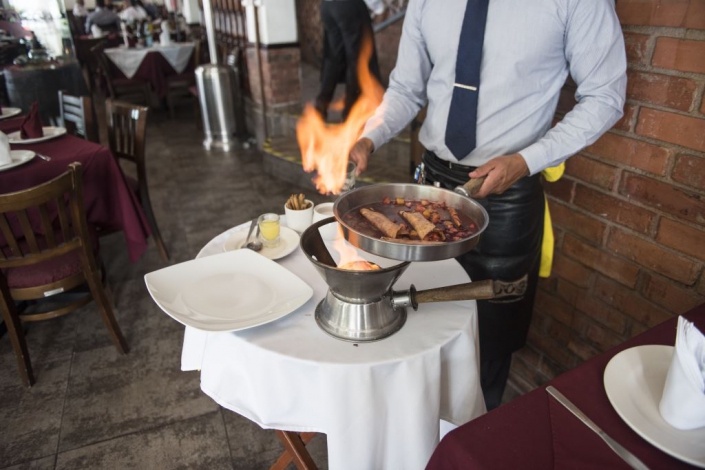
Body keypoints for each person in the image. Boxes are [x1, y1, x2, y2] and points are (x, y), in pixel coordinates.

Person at [350, 0, 627, 410]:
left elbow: (605, 95)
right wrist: (369, 137)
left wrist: (527, 161)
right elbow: (407, 89)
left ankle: (474, 433)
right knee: (412, 314)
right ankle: (412, 425)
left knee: (490, 339)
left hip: (507, 195)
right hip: (429, 190)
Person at [315, 0, 385, 121]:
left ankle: (321, 107)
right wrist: (379, 8)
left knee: (333, 58)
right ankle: (350, 112)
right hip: (349, 6)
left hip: (327, 6)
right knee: (358, 59)